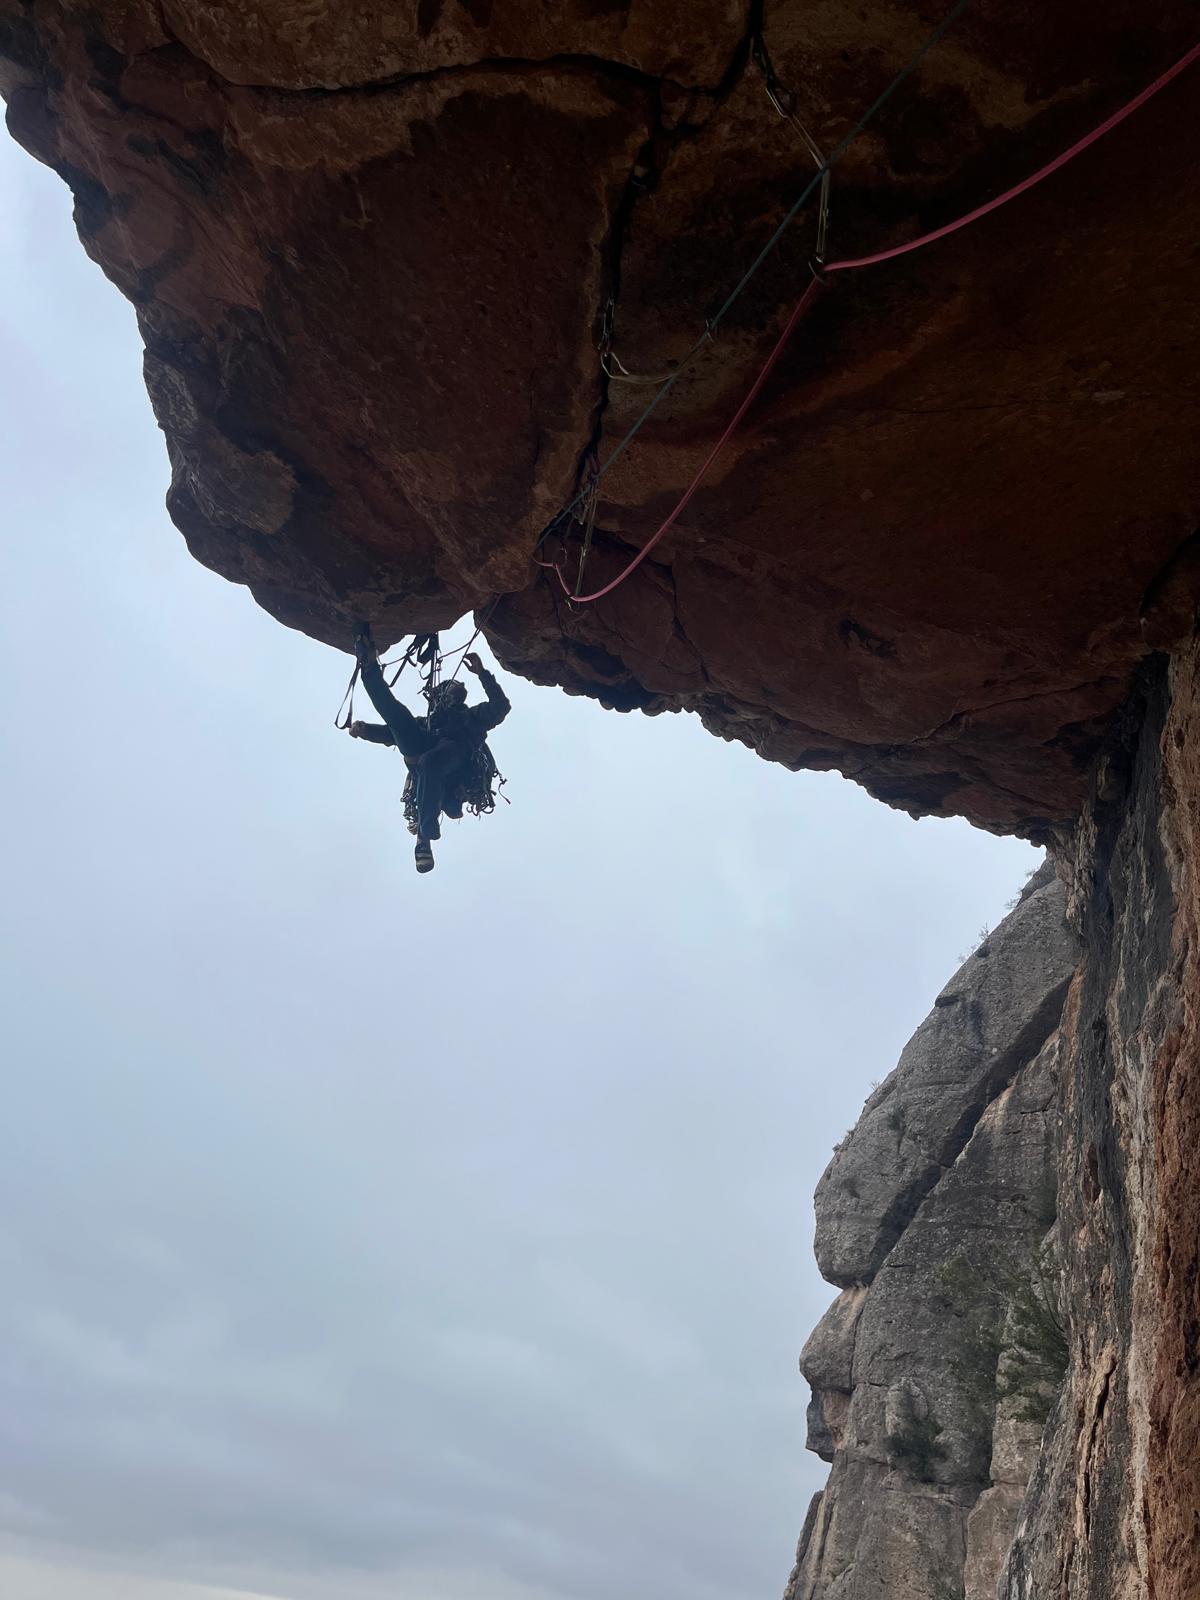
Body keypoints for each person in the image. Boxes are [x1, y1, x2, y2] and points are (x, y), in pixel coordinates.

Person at [348, 623, 510, 873]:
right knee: (397, 716)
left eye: (452, 692)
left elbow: (501, 706)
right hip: (426, 755)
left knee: (429, 761)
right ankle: (369, 666)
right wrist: (366, 730)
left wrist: (482, 674)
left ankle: (424, 835)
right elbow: (395, 731)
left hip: (457, 761)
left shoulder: (472, 717)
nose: (448, 695)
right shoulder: (430, 722)